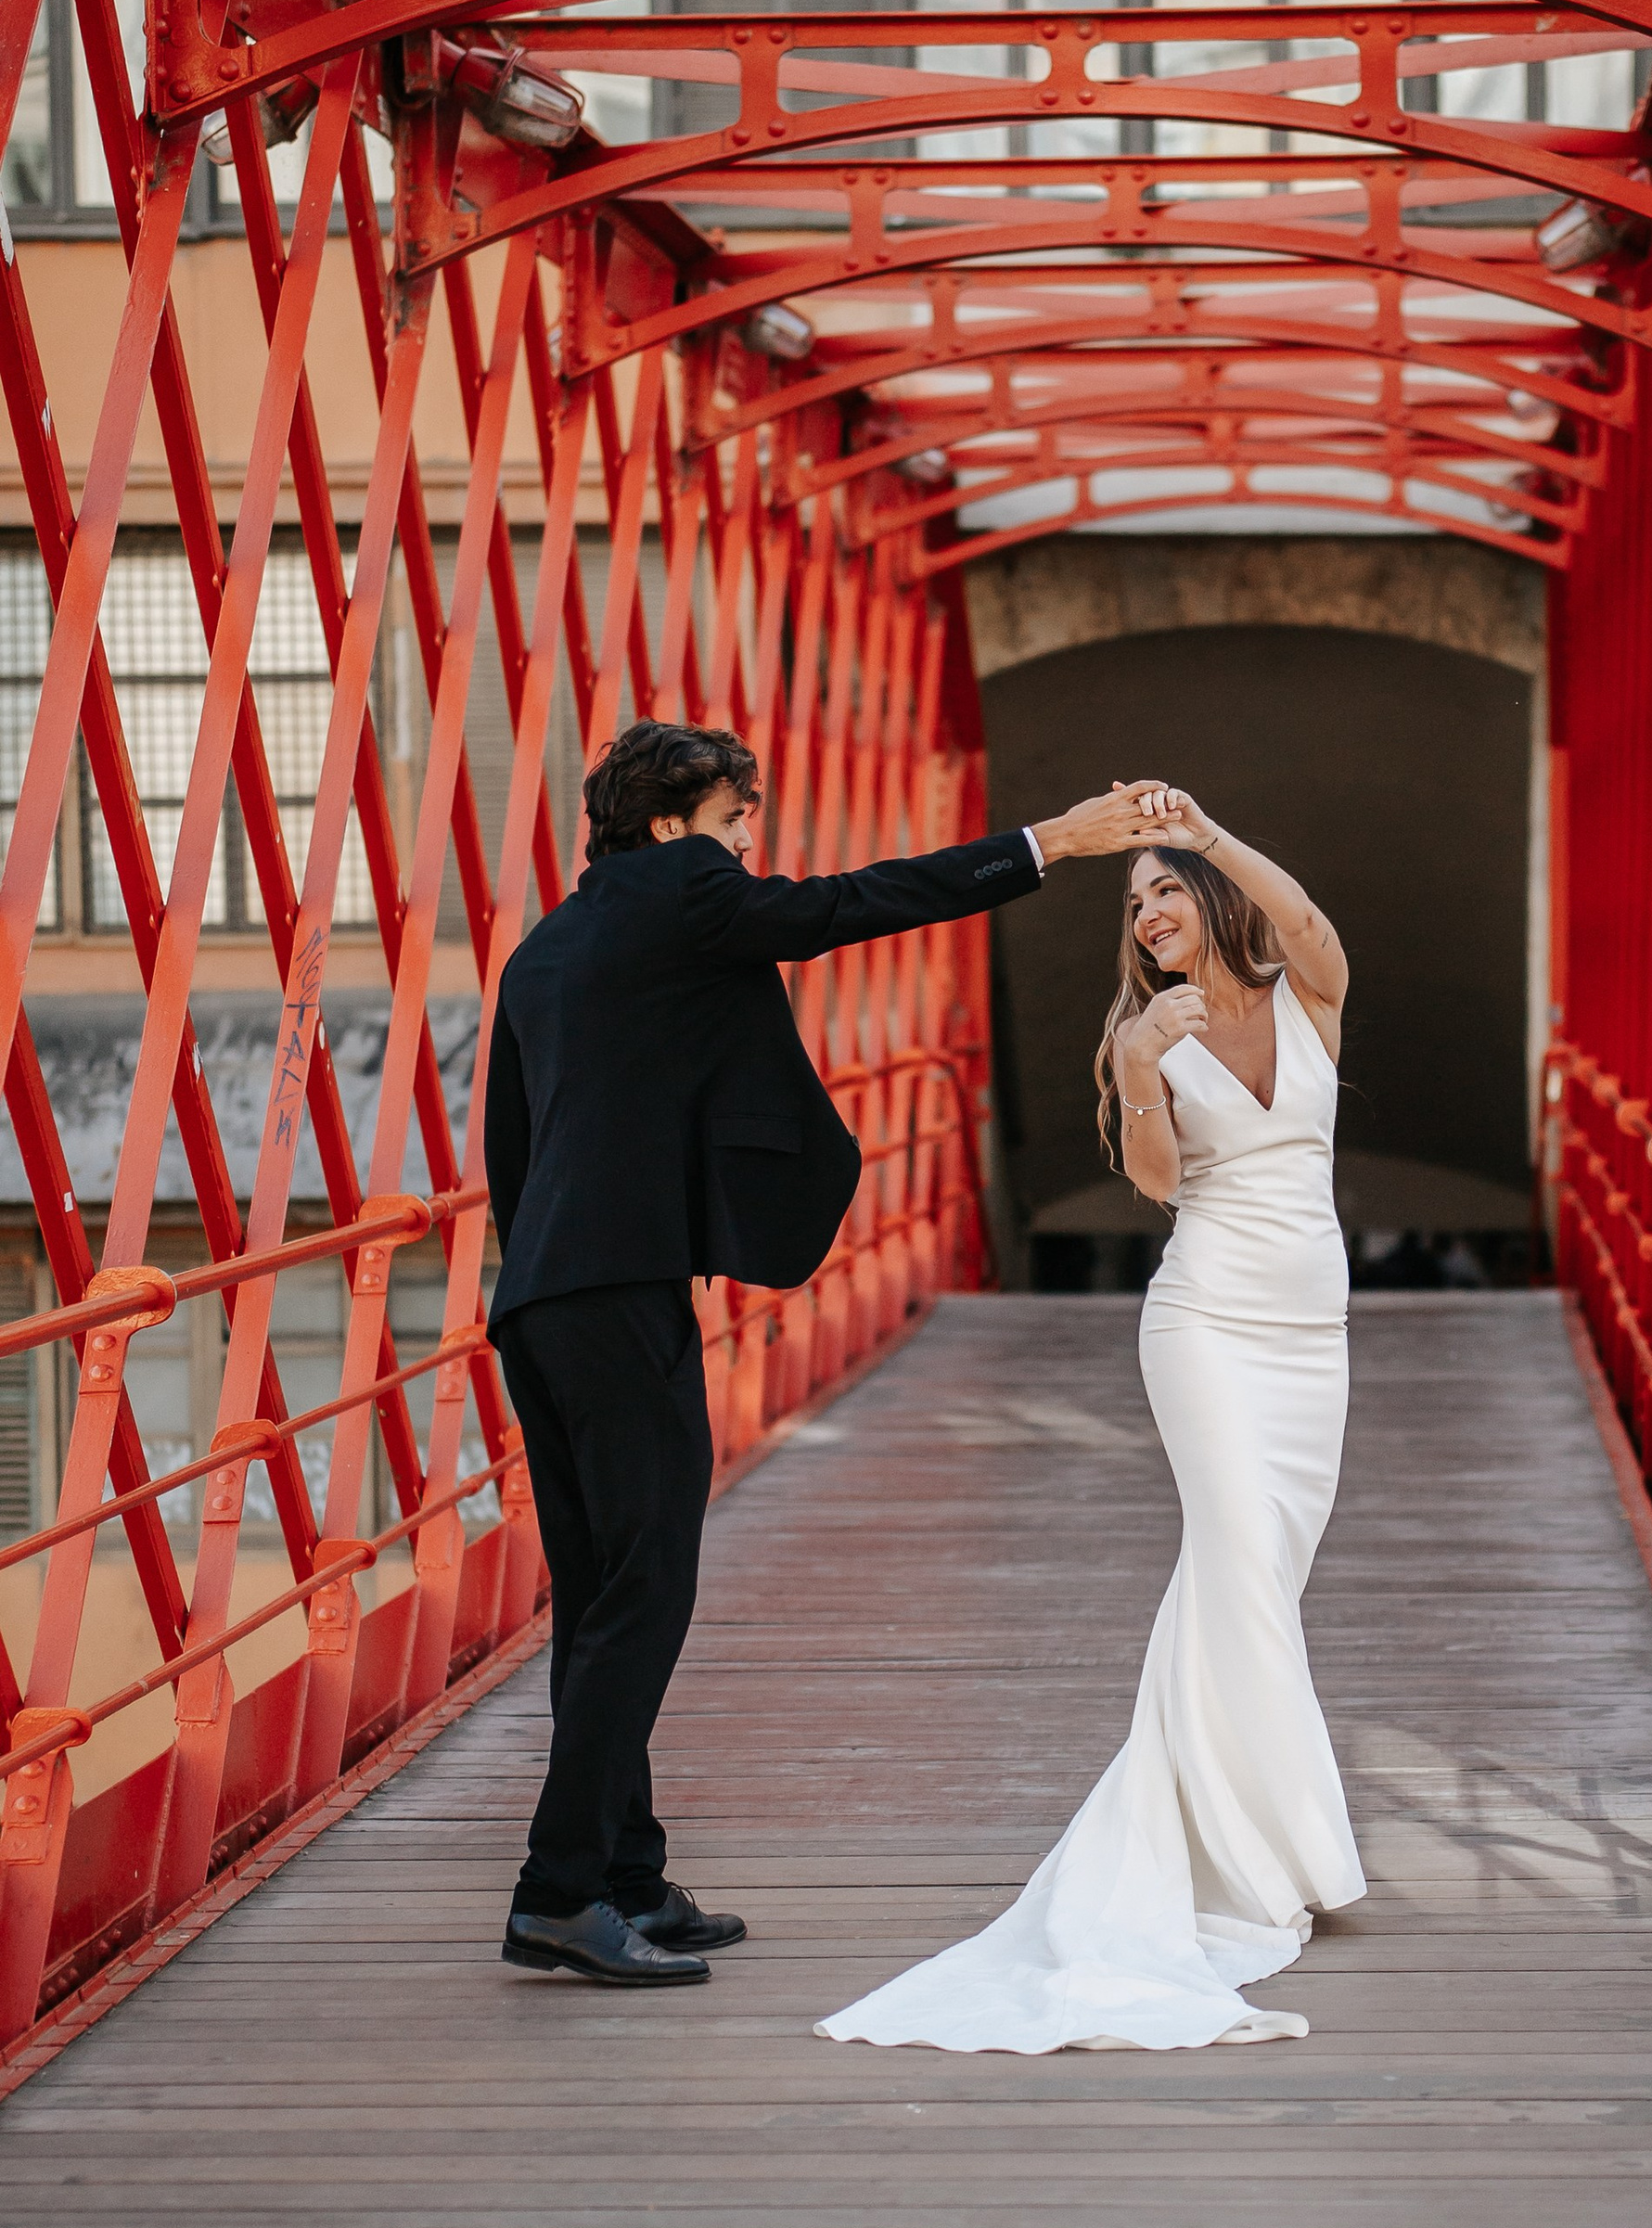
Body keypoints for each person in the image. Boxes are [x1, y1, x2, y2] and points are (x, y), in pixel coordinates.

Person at [485, 717, 1168, 1990]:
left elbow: (512, 1157)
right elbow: (856, 905)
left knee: (601, 1596)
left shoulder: (544, 951)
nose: (751, 850)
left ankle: (627, 1873)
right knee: (648, 1593)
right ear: (675, 822)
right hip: (619, 1295)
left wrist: (548, 1280)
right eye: (739, 822)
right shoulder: (686, 888)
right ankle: (559, 1889)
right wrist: (1055, 842)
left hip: (542, 1300)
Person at [818, 786, 1364, 2052]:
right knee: (1233, 1558)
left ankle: (1238, 1823)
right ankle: (1268, 1855)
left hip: (1310, 1344)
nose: (1150, 912)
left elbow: (1312, 924)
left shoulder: (1308, 998)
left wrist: (1202, 830)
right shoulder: (1146, 1037)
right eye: (1135, 902)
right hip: (1207, 1325)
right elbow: (1166, 1185)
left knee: (1258, 1585)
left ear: (1214, 901)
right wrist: (1133, 1068)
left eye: (1168, 890)